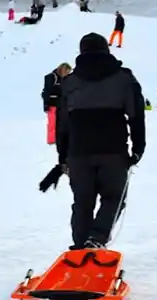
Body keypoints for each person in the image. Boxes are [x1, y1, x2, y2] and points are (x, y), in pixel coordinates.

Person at [55, 32, 146, 249]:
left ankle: (80, 249)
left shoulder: (70, 83)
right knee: (113, 198)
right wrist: (138, 147)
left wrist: (63, 156)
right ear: (107, 50)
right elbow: (136, 114)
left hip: (78, 152)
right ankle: (96, 239)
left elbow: (62, 124)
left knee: (83, 203)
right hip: (113, 150)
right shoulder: (124, 78)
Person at [42, 63, 72, 145]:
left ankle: (60, 138)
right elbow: (46, 91)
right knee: (53, 122)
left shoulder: (64, 79)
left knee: (61, 122)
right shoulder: (51, 77)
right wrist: (46, 104)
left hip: (61, 104)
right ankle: (52, 140)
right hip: (52, 103)